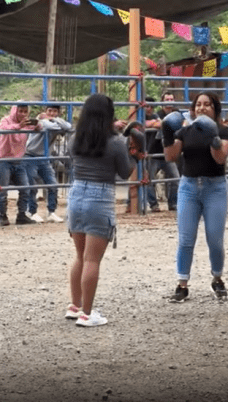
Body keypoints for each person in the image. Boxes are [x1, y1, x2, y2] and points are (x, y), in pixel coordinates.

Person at [65, 93, 144, 326]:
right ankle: (87, 314)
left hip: (76, 194)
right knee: (92, 260)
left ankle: (75, 305)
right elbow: (124, 172)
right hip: (100, 196)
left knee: (80, 256)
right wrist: (137, 156)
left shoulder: (74, 139)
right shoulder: (116, 142)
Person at [161, 92, 228, 302]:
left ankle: (217, 278)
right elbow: (170, 156)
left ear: (215, 108)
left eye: (207, 104)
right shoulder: (186, 131)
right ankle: (182, 285)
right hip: (189, 187)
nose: (202, 108)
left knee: (215, 239)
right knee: (186, 239)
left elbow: (219, 158)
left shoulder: (224, 131)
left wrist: (213, 137)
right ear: (193, 109)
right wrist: (167, 133)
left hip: (215, 188)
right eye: (198, 104)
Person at [23, 103, 72, 223]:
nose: (52, 113)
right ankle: (32, 212)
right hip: (31, 155)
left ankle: (51, 212)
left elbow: (69, 126)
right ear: (45, 111)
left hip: (45, 158)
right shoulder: (39, 121)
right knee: (32, 186)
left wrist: (54, 120)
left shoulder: (54, 122)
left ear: (58, 113)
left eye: (55, 111)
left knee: (53, 184)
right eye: (49, 111)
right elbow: (47, 125)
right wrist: (53, 122)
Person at [0, 102, 42, 225]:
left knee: (25, 189)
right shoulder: (5, 120)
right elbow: (3, 129)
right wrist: (18, 126)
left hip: (19, 161)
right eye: (20, 111)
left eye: (25, 111)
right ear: (15, 111)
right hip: (4, 160)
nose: (23, 114)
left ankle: (21, 215)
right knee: (3, 190)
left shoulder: (26, 124)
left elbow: (38, 128)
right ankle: (2, 216)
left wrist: (37, 124)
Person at [147, 91, 180, 211]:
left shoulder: (176, 114)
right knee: (149, 180)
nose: (169, 102)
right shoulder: (157, 115)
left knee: (176, 179)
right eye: (167, 99)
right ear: (162, 102)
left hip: (168, 154)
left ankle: (173, 203)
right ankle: (153, 204)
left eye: (171, 99)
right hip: (154, 153)